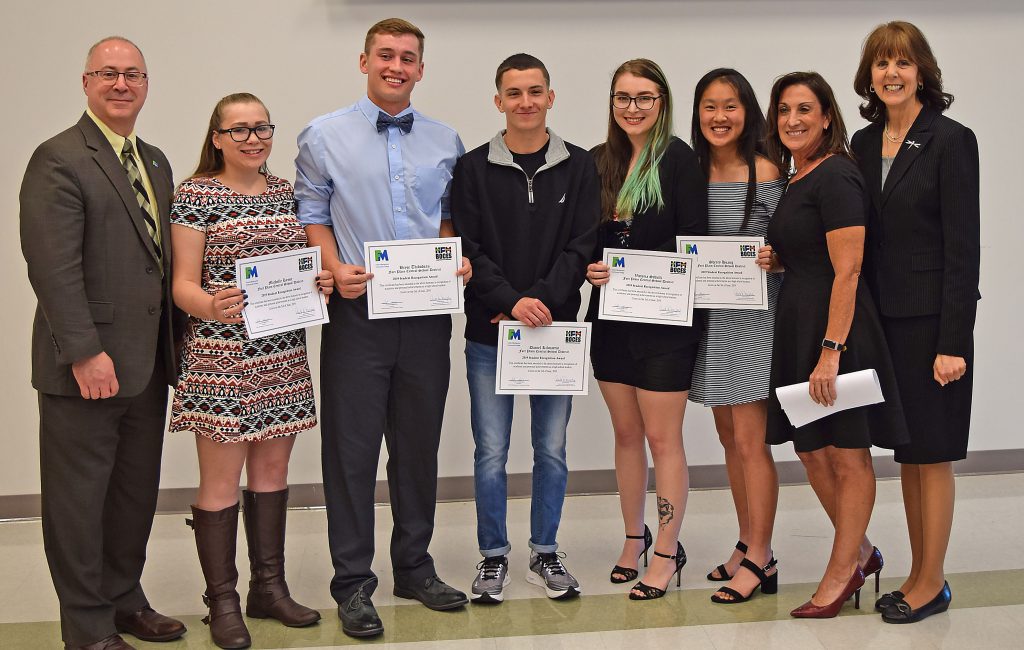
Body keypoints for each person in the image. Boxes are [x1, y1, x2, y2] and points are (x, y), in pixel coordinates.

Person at [295, 18, 471, 638]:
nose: (397, 66)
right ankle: (352, 582)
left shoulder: (447, 140)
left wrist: (452, 258)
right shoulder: (322, 136)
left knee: (418, 445)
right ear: (364, 60)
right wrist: (332, 266)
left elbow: (449, 217)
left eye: (408, 58)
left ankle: (415, 567)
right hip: (358, 314)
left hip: (425, 316)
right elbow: (312, 213)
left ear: (421, 69)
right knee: (351, 450)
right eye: (386, 55)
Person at [19, 36, 186, 650]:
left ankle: (124, 599)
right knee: (78, 502)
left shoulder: (157, 161)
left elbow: (165, 264)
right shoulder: (59, 158)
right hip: (86, 366)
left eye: (133, 74)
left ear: (146, 84)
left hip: (146, 365)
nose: (122, 84)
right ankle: (86, 625)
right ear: (86, 82)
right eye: (109, 74)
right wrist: (85, 351)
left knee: (133, 493)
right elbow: (52, 266)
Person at [171, 93, 329, 649]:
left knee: (270, 476)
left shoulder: (286, 193)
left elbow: (301, 267)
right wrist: (211, 305)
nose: (253, 138)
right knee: (220, 484)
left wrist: (320, 284)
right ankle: (221, 602)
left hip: (280, 354)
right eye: (238, 129)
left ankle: (269, 588)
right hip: (220, 357)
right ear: (216, 138)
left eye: (262, 127)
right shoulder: (195, 195)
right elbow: (182, 284)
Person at [759, 71, 909, 618]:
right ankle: (863, 553)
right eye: (783, 111)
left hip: (836, 332)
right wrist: (781, 257)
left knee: (847, 455)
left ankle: (841, 570)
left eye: (805, 109)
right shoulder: (801, 177)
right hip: (799, 325)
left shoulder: (839, 176)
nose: (793, 120)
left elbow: (848, 272)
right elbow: (813, 250)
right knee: (810, 448)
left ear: (827, 116)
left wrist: (831, 350)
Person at [451, 53, 599, 604]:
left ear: (551, 98)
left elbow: (583, 244)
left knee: (552, 449)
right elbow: (468, 248)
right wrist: (512, 302)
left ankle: (545, 550)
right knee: (490, 452)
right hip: (490, 335)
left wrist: (540, 302)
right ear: (499, 102)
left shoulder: (581, 167)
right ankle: (493, 557)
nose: (525, 102)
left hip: (554, 335)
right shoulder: (471, 169)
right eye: (514, 93)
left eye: (535, 91)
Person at [851, 21, 980, 624]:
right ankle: (918, 572)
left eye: (902, 62)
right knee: (908, 453)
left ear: (922, 70)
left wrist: (954, 342)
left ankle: (934, 581)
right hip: (884, 325)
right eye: (881, 63)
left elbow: (963, 248)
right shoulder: (861, 141)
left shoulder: (952, 141)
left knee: (934, 454)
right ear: (869, 75)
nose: (891, 73)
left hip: (933, 329)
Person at [584, 59, 707, 600]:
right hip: (611, 322)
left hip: (665, 327)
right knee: (627, 437)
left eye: (644, 97)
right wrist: (591, 266)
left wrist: (656, 273)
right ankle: (633, 538)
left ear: (663, 103)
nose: (633, 108)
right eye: (623, 97)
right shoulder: (597, 162)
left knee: (663, 439)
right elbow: (584, 241)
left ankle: (666, 549)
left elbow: (693, 241)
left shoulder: (680, 160)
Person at [688, 68, 784, 604]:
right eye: (709, 106)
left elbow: (793, 241)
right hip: (711, 322)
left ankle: (763, 558)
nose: (719, 117)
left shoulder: (765, 168)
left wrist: (777, 256)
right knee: (728, 438)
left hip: (754, 321)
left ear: (747, 112)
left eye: (730, 106)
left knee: (751, 443)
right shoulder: (692, 167)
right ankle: (746, 539)